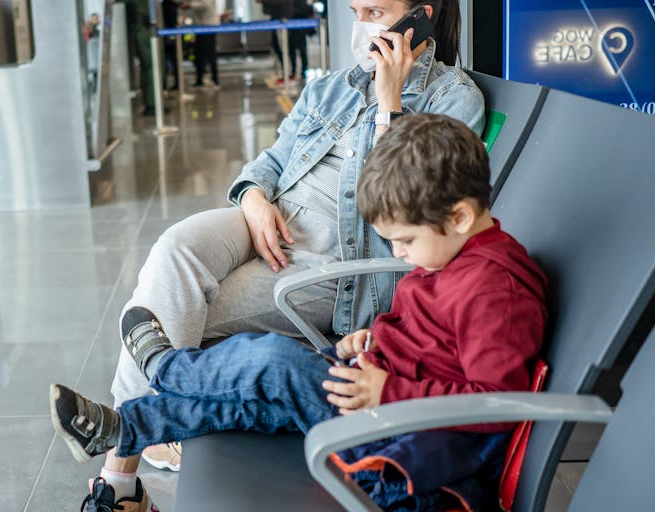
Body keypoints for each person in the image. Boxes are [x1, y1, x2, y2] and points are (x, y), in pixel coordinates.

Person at [88, 1, 486, 510]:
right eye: (356, 10)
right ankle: (135, 457)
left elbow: (405, 208)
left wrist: (389, 105)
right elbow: (272, 160)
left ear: (420, 17)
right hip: (272, 219)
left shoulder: (454, 98)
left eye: (377, 11)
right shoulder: (332, 87)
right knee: (174, 250)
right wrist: (254, 196)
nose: (363, 23)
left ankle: (118, 481)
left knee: (176, 314)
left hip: (329, 263)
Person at [52, 113, 548, 511]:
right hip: (376, 403)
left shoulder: (494, 290)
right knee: (248, 401)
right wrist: (373, 340)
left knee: (274, 362)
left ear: (460, 216)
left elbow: (496, 404)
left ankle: (168, 368)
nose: (399, 254)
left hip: (400, 453)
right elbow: (432, 341)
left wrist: (389, 391)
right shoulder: (450, 254)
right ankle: (125, 428)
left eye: (405, 240)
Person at [187, 0, 220, 88]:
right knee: (198, 54)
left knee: (210, 54)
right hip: (200, 26)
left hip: (209, 26)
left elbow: (205, 5)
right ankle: (199, 80)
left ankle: (215, 80)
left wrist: (189, 5)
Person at [286, 0, 314, 82]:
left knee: (298, 51)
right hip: (298, 27)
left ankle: (298, 71)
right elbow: (309, 11)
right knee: (299, 51)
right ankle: (300, 71)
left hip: (296, 27)